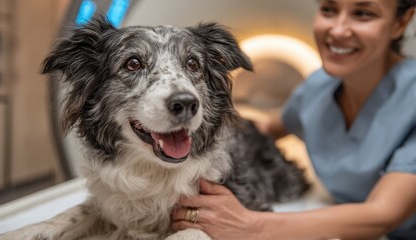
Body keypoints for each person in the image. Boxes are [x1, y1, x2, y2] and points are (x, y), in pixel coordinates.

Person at [170, 0, 416, 239]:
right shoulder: (318, 86)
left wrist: (251, 226)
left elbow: (382, 214)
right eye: (329, 9)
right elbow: (263, 129)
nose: (338, 29)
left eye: (363, 13)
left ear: (401, 22)